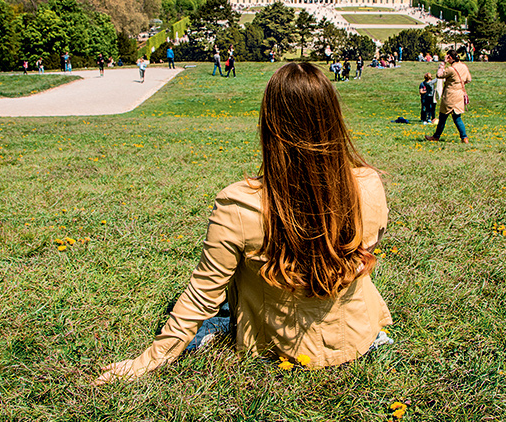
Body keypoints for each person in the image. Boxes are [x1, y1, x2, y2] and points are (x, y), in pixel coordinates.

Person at [94, 63, 391, 383]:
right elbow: (364, 251)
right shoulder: (369, 184)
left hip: (280, 345)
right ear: (334, 120)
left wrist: (152, 358)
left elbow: (202, 293)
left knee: (234, 276)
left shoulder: (238, 204)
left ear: (270, 126)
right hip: (357, 333)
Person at [425, 49, 471, 143]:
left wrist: (443, 63)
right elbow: (468, 79)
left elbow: (439, 75)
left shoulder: (451, 69)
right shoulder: (463, 66)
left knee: (442, 117)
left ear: (449, 57)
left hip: (450, 95)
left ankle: (436, 136)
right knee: (457, 117)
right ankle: (464, 137)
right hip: (459, 94)